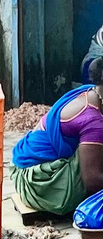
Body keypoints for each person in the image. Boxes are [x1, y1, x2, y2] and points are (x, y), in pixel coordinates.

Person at [10, 58, 103, 216]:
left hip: (27, 170)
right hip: (37, 184)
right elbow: (93, 181)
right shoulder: (93, 120)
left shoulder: (91, 92)